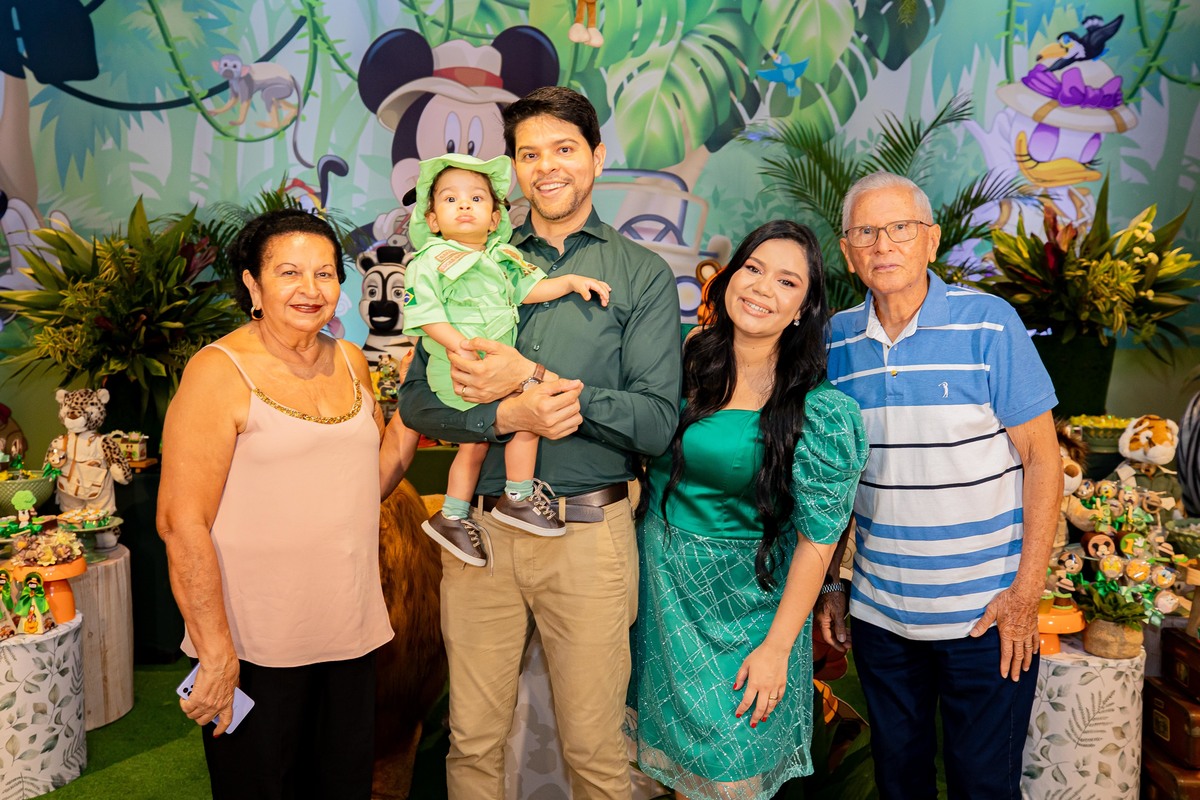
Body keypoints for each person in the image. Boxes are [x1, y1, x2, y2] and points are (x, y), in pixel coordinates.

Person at [398, 86, 682, 799]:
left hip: (587, 534)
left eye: (564, 149)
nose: (547, 167)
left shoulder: (640, 274)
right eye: (529, 154)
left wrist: (536, 382)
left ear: (597, 158)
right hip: (479, 536)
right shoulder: (469, 258)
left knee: (596, 750)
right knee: (472, 742)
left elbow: (656, 423)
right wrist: (503, 418)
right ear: (513, 170)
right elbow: (419, 403)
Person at [816, 172, 1062, 799]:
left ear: (931, 239)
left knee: (984, 786)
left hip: (988, 616)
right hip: (881, 618)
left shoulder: (989, 325)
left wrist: (1025, 593)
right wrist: (835, 585)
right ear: (847, 252)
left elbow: (1043, 460)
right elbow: (835, 478)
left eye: (900, 228)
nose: (883, 245)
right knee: (900, 785)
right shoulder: (835, 341)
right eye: (865, 232)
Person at [157, 209, 395, 799]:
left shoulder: (352, 360)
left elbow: (365, 485)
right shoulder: (219, 371)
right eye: (289, 272)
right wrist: (215, 652)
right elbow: (181, 522)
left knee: (343, 788)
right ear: (253, 284)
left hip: (350, 633)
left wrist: (421, 410)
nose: (310, 289)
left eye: (324, 273)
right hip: (253, 646)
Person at [628, 220, 868, 799]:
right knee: (664, 778)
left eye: (786, 281)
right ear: (729, 277)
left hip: (747, 615)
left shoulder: (819, 409)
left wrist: (778, 649)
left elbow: (818, 541)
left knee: (730, 780)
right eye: (753, 269)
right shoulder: (681, 360)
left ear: (804, 308)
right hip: (659, 603)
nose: (762, 287)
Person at [396, 151, 611, 565]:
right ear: (433, 219)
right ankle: (518, 496)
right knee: (526, 419)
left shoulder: (501, 259)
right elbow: (425, 314)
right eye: (450, 199)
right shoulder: (429, 261)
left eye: (476, 199)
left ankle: (454, 514)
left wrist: (569, 281)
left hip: (491, 367)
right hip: (460, 369)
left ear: (495, 219)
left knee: (477, 444)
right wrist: (459, 346)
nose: (464, 205)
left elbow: (530, 290)